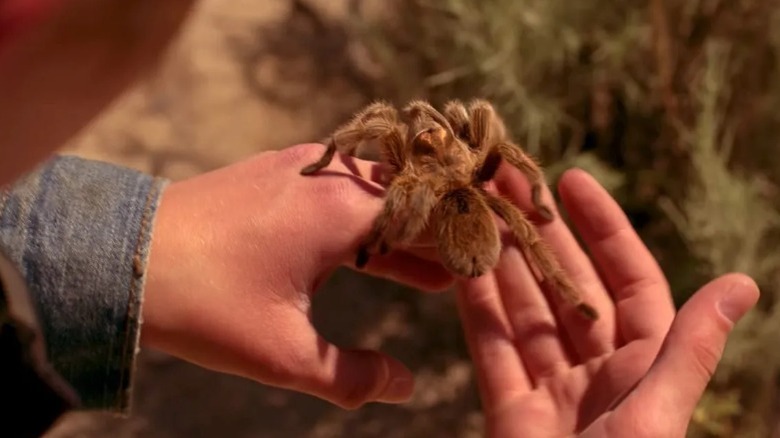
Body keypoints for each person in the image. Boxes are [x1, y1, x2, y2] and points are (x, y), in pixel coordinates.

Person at [0, 1, 760, 436]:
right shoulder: (441, 158)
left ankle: (559, 281)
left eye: (437, 132)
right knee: (523, 232)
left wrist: (374, 221)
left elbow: (457, 149)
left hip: (459, 206)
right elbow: (457, 163)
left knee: (518, 221)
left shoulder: (438, 164)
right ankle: (566, 286)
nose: (429, 129)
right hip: (466, 209)